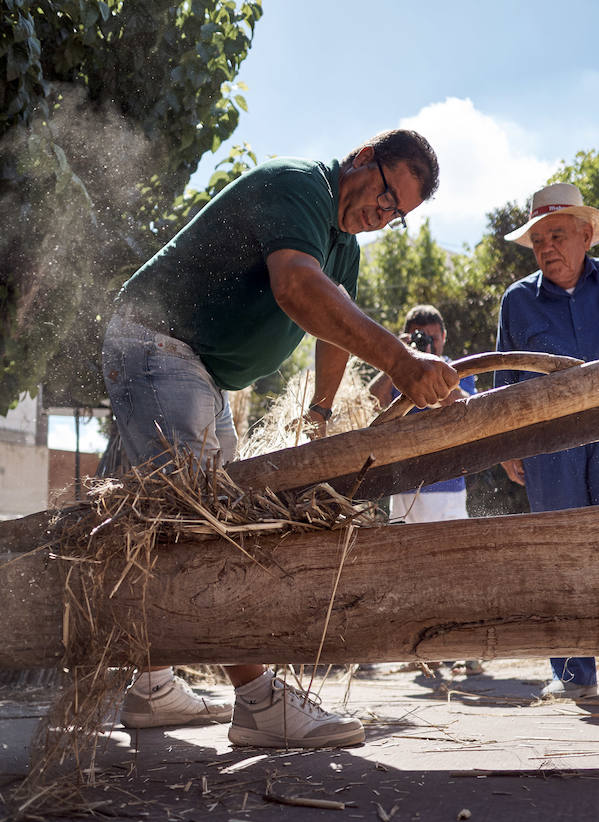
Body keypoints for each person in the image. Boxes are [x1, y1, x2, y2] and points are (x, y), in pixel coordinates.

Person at [102, 129, 460, 748]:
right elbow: (297, 288)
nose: (384, 214)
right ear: (361, 159)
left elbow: (333, 331)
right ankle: (259, 698)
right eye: (385, 194)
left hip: (202, 373)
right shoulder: (299, 185)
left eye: (398, 214)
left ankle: (152, 685)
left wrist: (320, 413)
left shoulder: (343, 246)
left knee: (142, 524)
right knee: (204, 523)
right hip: (160, 347)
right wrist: (402, 363)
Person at [496, 182, 599, 700]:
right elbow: (504, 380)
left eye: (557, 235)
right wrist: (505, 443)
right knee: (558, 553)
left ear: (588, 234)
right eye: (538, 242)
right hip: (549, 450)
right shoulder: (517, 301)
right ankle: (574, 676)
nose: (547, 248)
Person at [370, 304, 482, 676]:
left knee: (458, 569)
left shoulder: (457, 368)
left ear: (443, 337)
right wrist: (398, 356)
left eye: (431, 337)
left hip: (447, 484)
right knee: (409, 571)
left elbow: (466, 408)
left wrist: (431, 373)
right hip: (403, 487)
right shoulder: (399, 368)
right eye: (418, 336)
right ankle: (424, 652)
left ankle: (468, 648)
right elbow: (373, 398)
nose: (426, 343)